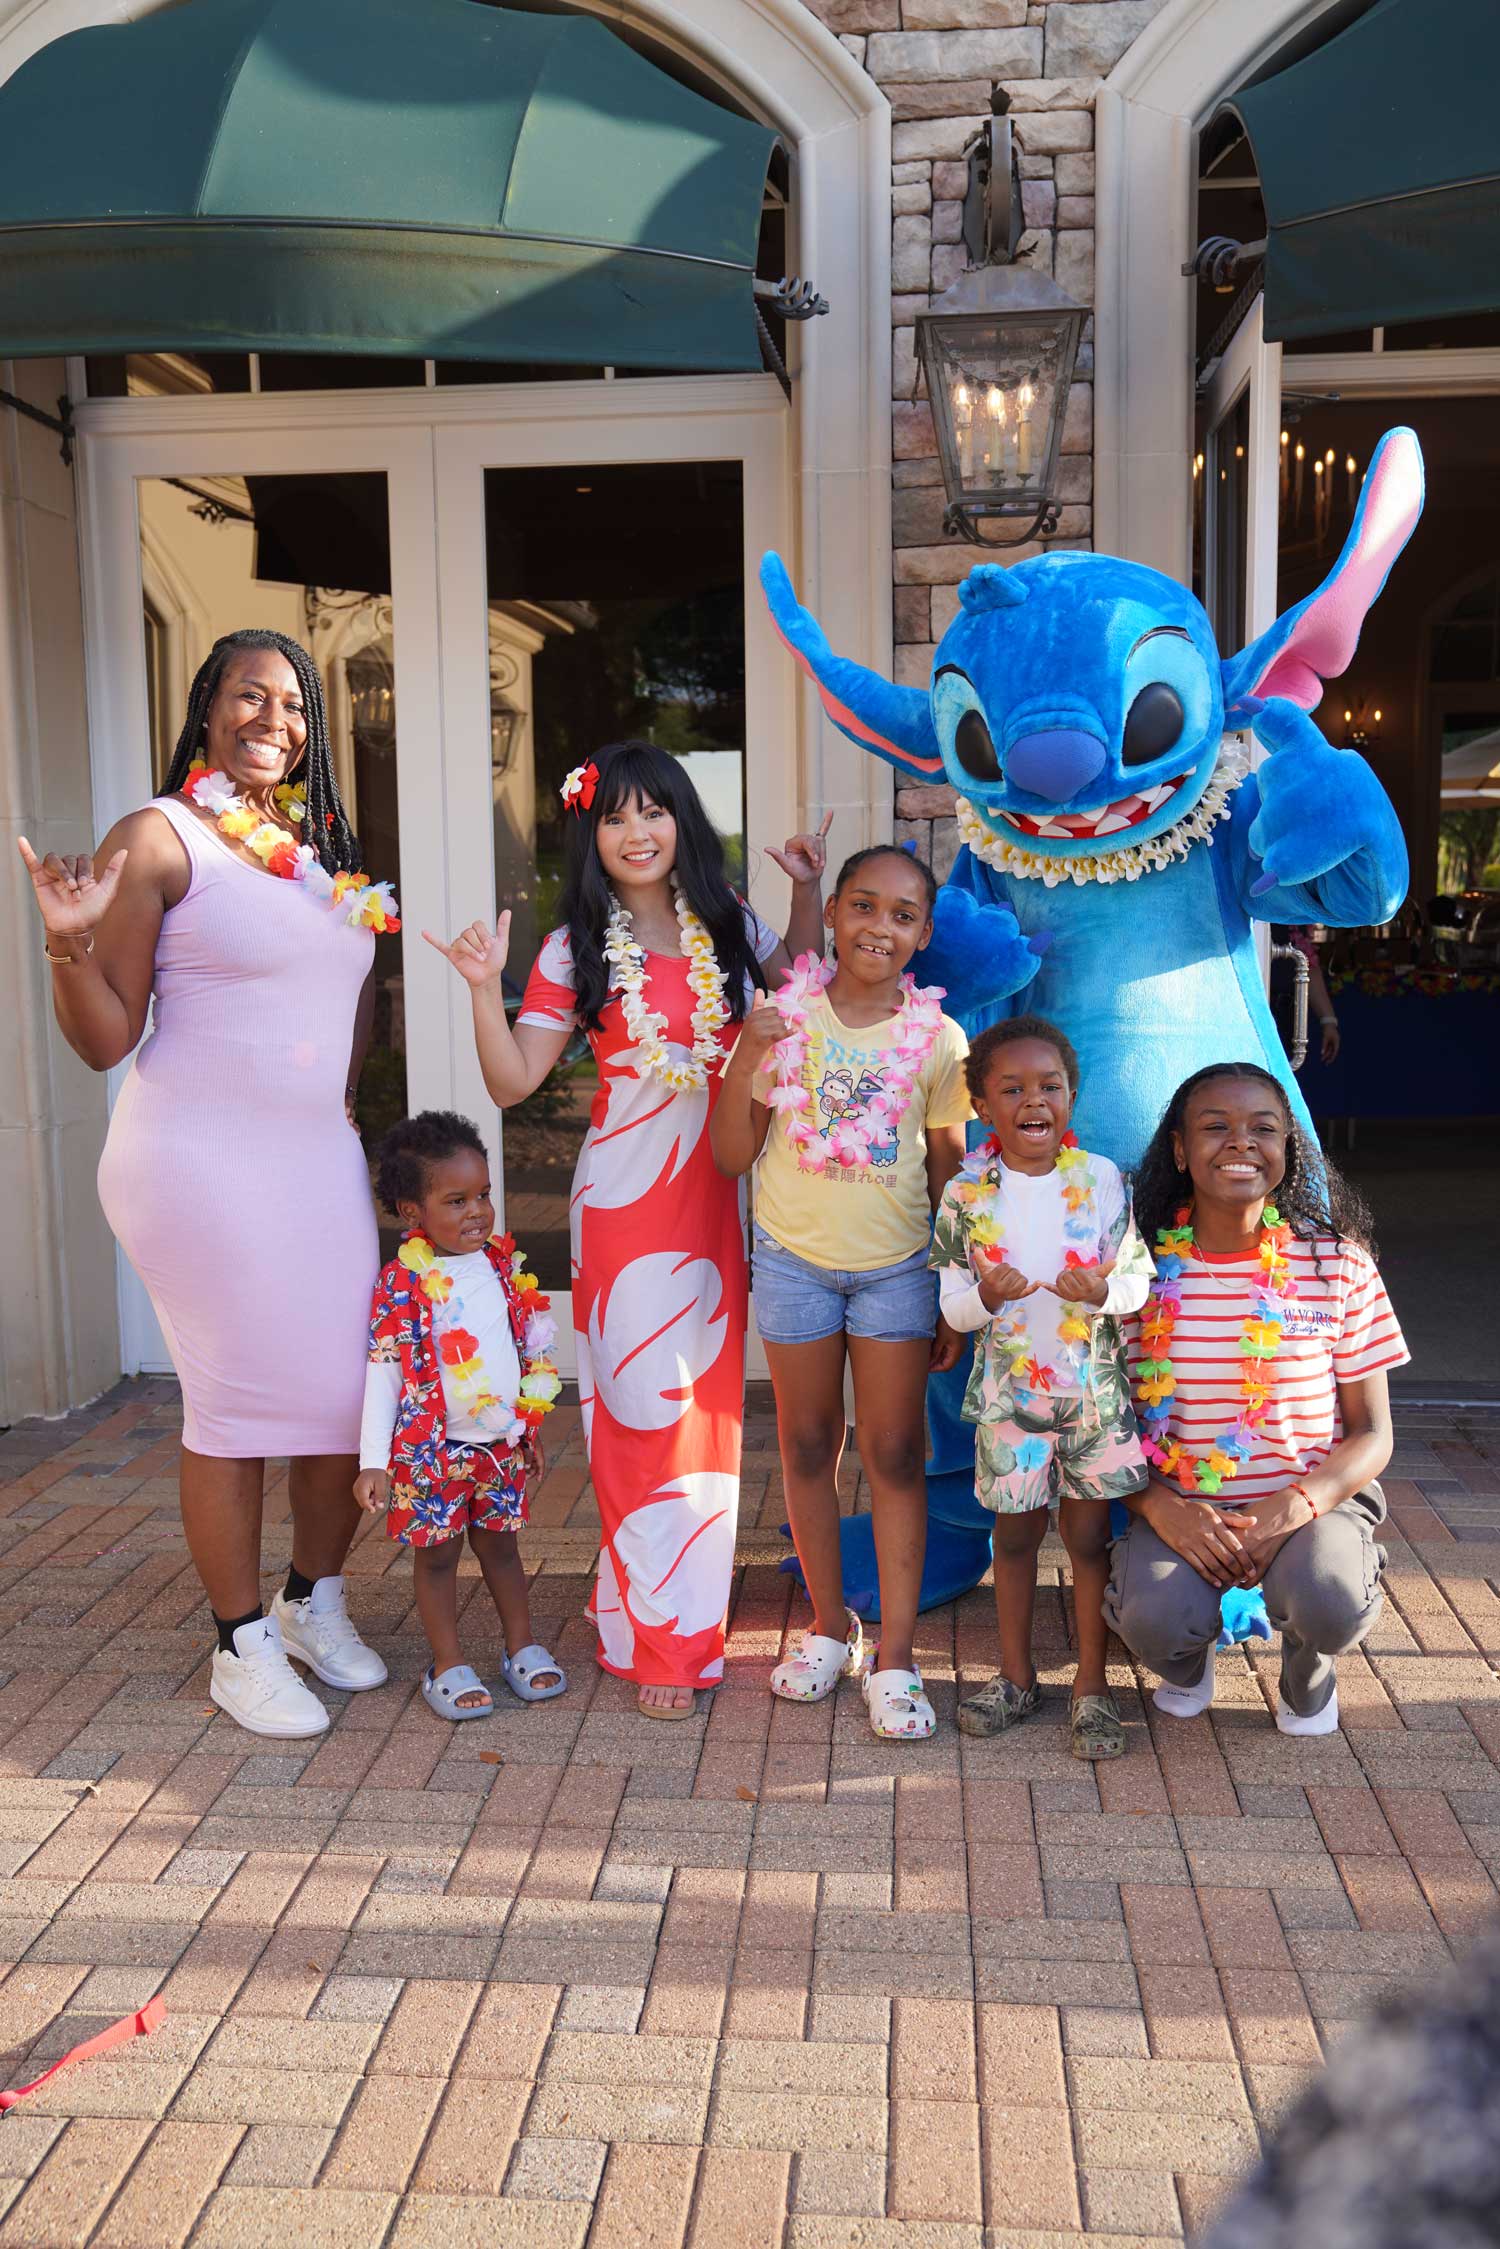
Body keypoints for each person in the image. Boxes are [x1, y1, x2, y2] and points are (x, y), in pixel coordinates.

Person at [16, 629, 394, 1740]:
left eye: (291, 704)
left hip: (313, 1159)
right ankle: (238, 1643)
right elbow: (102, 1041)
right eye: (248, 696)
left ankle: (311, 1599)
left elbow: (344, 1012)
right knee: (233, 1409)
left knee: (341, 1401)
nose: (271, 719)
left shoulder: (311, 847)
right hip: (198, 1161)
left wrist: (330, 1112)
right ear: (206, 706)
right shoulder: (161, 834)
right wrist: (67, 946)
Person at [425, 739, 829, 1717]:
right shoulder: (573, 946)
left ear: (684, 820)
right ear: (590, 834)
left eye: (652, 811)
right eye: (613, 816)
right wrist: (484, 987)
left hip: (717, 1190)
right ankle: (662, 1642)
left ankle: (653, 1614)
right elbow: (513, 1080)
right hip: (623, 1196)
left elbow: (802, 999)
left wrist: (809, 893)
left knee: (704, 1413)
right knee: (641, 1412)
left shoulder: (726, 921)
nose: (636, 831)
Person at [711, 845, 970, 1741]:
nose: (880, 927)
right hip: (793, 1262)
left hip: (899, 1268)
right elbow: (731, 1156)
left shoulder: (939, 1039)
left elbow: (949, 1171)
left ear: (923, 934)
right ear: (832, 916)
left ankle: (896, 1655)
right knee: (809, 1441)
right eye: (863, 906)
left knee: (895, 1451)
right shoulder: (786, 1020)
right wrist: (748, 1051)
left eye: (903, 914)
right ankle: (830, 1627)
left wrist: (953, 1287)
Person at [1105, 1061, 1407, 1735]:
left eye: (1262, 1128)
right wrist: (1160, 1505)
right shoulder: (1136, 1273)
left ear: (1287, 1148)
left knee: (1327, 1596)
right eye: (1215, 1127)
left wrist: (1293, 1506)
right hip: (1182, 1504)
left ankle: (1309, 1663)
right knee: (1152, 1618)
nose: (1241, 1141)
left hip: (1309, 1503)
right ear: (1181, 1151)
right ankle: (1189, 1659)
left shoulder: (1336, 1265)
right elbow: (1103, 1422)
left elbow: (1372, 1433)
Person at [929, 1017, 1153, 1761]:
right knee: (1016, 1537)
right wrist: (987, 1297)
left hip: (1092, 1397)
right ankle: (1016, 1678)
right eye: (1013, 1087)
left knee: (1090, 1539)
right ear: (984, 1106)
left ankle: (1092, 1686)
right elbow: (953, 1308)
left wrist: (1102, 1291)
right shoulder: (966, 1194)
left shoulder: (1102, 1178)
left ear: (1071, 1094)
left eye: (1049, 1085)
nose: (1034, 1099)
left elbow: (1137, 1282)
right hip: (1009, 1401)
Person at [355, 1112, 564, 1719]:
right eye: (456, 1200)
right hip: (430, 1451)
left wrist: (528, 1426)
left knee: (503, 1547)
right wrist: (374, 1461)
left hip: (498, 1444)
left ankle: (519, 1646)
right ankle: (446, 1662)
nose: (477, 1211)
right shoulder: (401, 1283)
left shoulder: (502, 1266)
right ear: (412, 1212)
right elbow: (383, 1373)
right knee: (438, 1555)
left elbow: (524, 1350)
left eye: (484, 1195)